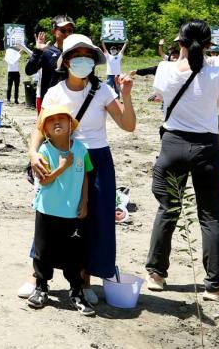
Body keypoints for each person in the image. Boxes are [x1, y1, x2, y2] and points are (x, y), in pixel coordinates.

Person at [22, 34, 136, 304]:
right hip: (62, 157)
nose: (83, 60)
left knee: (93, 218)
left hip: (96, 159)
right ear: (67, 61)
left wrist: (127, 96)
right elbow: (39, 129)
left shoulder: (103, 91)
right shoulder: (55, 92)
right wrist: (33, 153)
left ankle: (84, 278)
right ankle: (38, 275)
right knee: (50, 215)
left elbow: (128, 125)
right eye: (77, 55)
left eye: (88, 55)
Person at [145, 20, 219, 302]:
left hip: (172, 144)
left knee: (167, 209)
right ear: (209, 44)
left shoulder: (164, 70)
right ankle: (215, 285)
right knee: (210, 216)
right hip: (206, 147)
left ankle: (156, 274)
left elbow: (161, 96)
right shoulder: (217, 75)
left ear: (179, 43)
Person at [26, 105, 95, 316]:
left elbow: (85, 175)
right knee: (43, 251)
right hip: (47, 210)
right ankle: (41, 287)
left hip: (72, 213)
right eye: (51, 119)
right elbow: (45, 181)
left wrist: (84, 201)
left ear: (70, 125)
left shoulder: (81, 149)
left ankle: (76, 291)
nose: (57, 122)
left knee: (74, 254)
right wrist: (62, 167)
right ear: (45, 129)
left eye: (61, 119)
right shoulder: (44, 151)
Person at [25, 16, 75, 113]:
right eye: (63, 30)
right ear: (54, 31)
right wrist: (38, 51)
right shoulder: (47, 52)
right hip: (50, 103)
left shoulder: (76, 53)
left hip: (71, 102)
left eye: (70, 30)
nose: (67, 34)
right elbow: (29, 70)